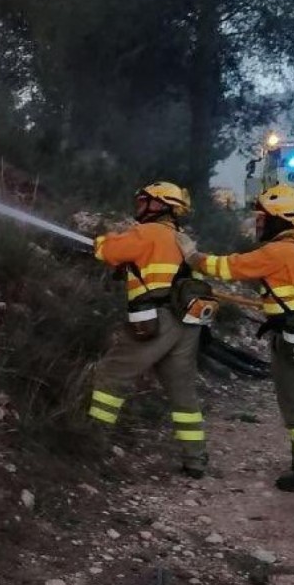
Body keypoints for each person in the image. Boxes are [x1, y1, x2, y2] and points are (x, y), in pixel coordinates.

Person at [176, 185, 294, 493]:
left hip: (293, 339)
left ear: (280, 219)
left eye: (263, 218)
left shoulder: (276, 252)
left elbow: (227, 267)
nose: (259, 224)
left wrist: (191, 254)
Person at [89, 181, 208, 479]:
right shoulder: (182, 238)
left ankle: (93, 442)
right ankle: (195, 459)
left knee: (110, 375)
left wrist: (101, 241)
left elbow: (109, 251)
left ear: (159, 205)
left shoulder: (146, 232)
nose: (139, 205)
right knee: (183, 394)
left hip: (155, 321)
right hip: (187, 325)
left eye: (144, 200)